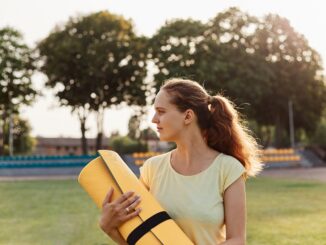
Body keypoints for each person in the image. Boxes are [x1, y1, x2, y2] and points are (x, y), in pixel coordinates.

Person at [99, 78, 263, 245]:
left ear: (188, 116)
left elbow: (237, 240)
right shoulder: (152, 168)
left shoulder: (228, 168)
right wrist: (110, 228)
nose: (154, 119)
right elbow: (141, 240)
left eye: (161, 111)